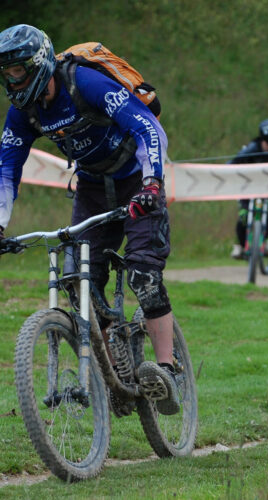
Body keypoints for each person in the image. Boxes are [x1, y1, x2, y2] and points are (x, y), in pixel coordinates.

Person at [0, 24, 179, 415]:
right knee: (76, 282)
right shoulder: (22, 113)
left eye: (19, 71)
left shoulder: (84, 83)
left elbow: (147, 127)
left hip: (137, 180)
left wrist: (152, 183)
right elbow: (6, 169)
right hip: (93, 187)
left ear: (39, 64)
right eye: (6, 73)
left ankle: (168, 370)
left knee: (144, 275)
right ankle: (117, 363)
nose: (13, 80)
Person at [228, 118, 268, 259]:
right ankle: (241, 245)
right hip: (249, 189)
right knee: (243, 215)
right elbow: (233, 162)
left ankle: (265, 240)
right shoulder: (252, 148)